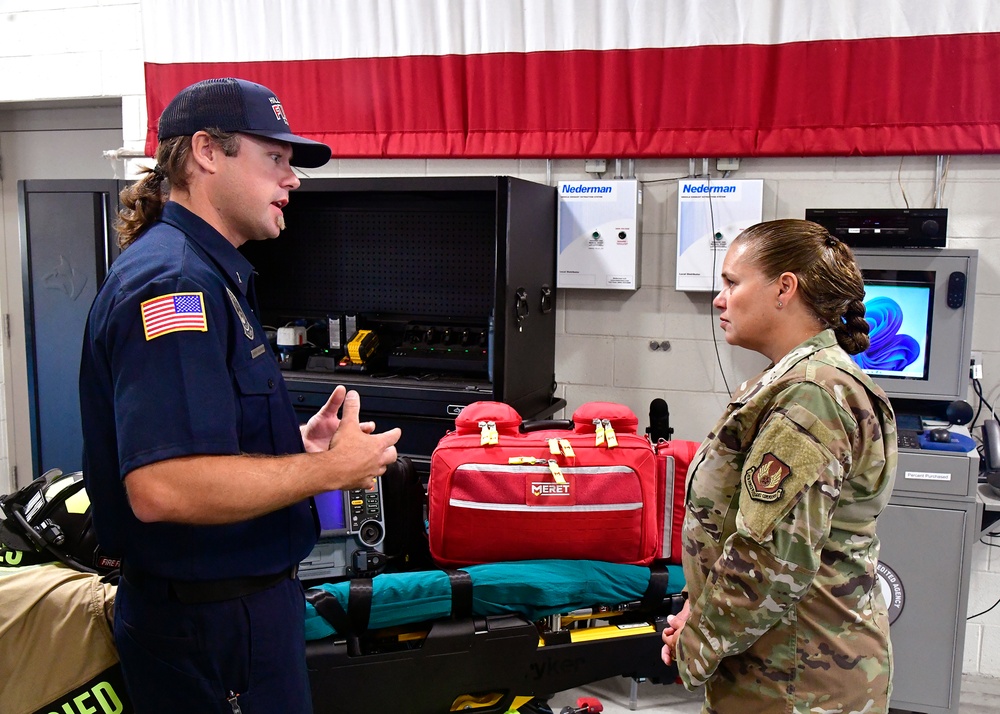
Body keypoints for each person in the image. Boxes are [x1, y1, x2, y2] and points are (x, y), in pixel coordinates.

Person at [79, 77, 401, 713]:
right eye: (275, 159)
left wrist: (287, 444)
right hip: (212, 628)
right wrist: (326, 469)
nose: (293, 179)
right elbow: (163, 486)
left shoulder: (209, 273)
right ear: (206, 152)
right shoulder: (174, 287)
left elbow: (204, 440)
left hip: (237, 615)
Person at [661, 219, 897, 713]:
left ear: (784, 288)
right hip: (780, 661)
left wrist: (695, 645)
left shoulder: (812, 395)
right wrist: (696, 603)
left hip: (798, 679)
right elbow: (729, 529)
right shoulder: (790, 381)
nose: (719, 299)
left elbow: (771, 561)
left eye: (732, 282)